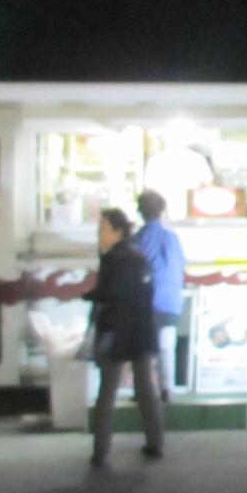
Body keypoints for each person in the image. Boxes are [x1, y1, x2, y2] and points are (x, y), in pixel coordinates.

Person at [86, 208, 164, 467]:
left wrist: (87, 294)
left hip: (116, 330)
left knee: (107, 392)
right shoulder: (139, 256)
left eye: (102, 228)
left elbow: (109, 293)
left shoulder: (113, 258)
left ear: (117, 231)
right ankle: (155, 443)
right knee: (145, 388)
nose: (99, 234)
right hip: (142, 330)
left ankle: (101, 450)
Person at [135, 190, 186, 401]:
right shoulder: (172, 236)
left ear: (140, 211)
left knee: (145, 348)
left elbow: (136, 268)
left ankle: (146, 389)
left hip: (148, 300)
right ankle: (167, 388)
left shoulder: (140, 238)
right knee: (166, 344)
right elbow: (181, 264)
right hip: (171, 299)